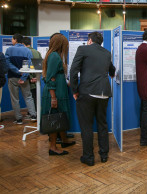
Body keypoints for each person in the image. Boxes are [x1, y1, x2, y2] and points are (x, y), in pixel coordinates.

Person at [70, 32, 115, 166]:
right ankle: (104, 155)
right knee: (102, 124)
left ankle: (89, 157)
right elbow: (112, 70)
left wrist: (74, 90)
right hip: (104, 93)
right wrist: (111, 75)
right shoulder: (106, 53)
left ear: (89, 40)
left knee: (86, 126)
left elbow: (73, 71)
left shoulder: (83, 49)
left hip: (87, 92)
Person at [41, 33, 75, 156]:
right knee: (55, 119)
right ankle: (53, 147)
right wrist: (53, 98)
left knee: (60, 117)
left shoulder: (53, 55)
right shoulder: (55, 57)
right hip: (55, 94)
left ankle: (64, 140)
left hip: (59, 91)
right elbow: (50, 79)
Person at [5, 33, 37, 124]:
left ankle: (18, 119)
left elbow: (8, 64)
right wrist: (23, 76)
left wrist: (18, 71)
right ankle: (33, 115)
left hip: (12, 77)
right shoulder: (27, 50)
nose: (12, 41)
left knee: (15, 98)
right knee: (28, 97)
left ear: (15, 39)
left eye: (12, 39)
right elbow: (30, 65)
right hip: (25, 78)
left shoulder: (9, 50)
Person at [23, 36, 42, 112]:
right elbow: (41, 65)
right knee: (35, 96)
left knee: (29, 97)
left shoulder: (25, 52)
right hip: (36, 78)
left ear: (22, 43)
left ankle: (32, 113)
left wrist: (30, 77)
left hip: (28, 78)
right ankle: (37, 112)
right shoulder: (37, 52)